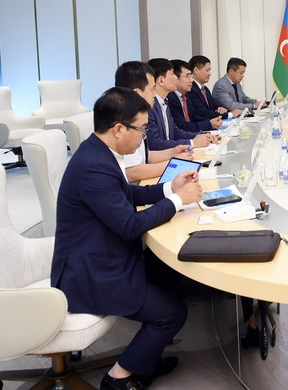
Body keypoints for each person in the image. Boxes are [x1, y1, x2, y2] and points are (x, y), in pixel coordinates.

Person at [51, 87, 203, 390]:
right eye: (142, 129)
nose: (144, 137)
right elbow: (130, 226)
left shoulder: (97, 152)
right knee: (172, 313)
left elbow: (126, 194)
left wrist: (169, 189)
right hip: (90, 274)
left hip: (103, 255)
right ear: (119, 129)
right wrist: (177, 201)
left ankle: (145, 357)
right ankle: (117, 377)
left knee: (168, 273)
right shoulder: (93, 166)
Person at [115, 61, 192, 183]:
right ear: (137, 93)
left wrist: (173, 152)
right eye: (151, 90)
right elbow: (132, 172)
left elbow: (145, 156)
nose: (155, 94)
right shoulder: (124, 121)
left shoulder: (135, 115)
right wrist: (175, 165)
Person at [146, 58, 217, 151]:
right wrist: (192, 143)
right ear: (161, 80)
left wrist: (201, 135)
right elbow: (155, 144)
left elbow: (175, 132)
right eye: (172, 74)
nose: (176, 77)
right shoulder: (150, 106)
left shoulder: (164, 102)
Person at [167, 59, 224, 133]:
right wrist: (209, 124)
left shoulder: (185, 95)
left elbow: (194, 117)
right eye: (187, 76)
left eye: (191, 76)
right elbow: (182, 126)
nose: (191, 80)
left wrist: (211, 122)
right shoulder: (170, 98)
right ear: (175, 78)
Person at [188, 55, 231, 120]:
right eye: (207, 70)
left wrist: (220, 108)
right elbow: (202, 112)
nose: (209, 74)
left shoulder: (205, 89)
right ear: (196, 70)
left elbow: (214, 105)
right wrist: (229, 115)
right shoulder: (190, 89)